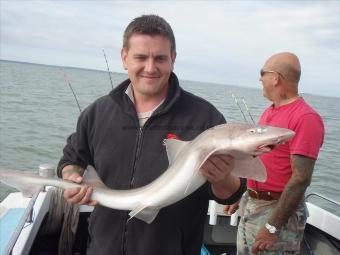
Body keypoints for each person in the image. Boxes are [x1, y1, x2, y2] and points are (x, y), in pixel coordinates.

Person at [57, 14, 246, 255]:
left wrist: (221, 177)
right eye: (140, 57)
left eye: (160, 58)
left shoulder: (205, 118)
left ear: (173, 59)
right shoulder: (97, 112)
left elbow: (230, 193)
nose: (150, 67)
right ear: (124, 58)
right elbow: (72, 159)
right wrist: (73, 178)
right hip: (102, 248)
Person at [225, 52, 324, 254]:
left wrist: (272, 227)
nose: (260, 78)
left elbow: (301, 179)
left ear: (276, 78)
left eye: (263, 73)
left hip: (275, 212)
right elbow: (261, 160)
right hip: (252, 204)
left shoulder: (306, 118)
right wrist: (243, 191)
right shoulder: (270, 111)